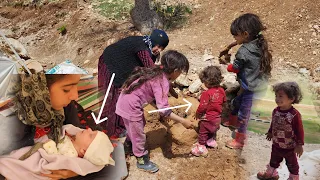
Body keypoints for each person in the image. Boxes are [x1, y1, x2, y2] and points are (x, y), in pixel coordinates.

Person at [0, 73, 127, 180]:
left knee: (114, 154)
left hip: (59, 166)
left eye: (76, 86)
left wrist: (77, 169)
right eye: (66, 89)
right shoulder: (11, 122)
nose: (75, 96)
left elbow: (86, 138)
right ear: (42, 89)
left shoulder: (66, 106)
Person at [115, 50, 193, 173]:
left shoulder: (155, 71)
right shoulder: (162, 82)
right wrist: (183, 121)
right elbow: (164, 111)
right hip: (131, 107)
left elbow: (149, 94)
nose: (180, 75)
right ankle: (141, 159)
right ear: (175, 70)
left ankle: (128, 145)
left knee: (137, 126)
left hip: (124, 102)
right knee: (139, 134)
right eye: (181, 72)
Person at [98, 29, 170, 138]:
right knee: (114, 95)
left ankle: (118, 125)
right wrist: (163, 90)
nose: (158, 50)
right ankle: (112, 129)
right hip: (111, 61)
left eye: (161, 48)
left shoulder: (150, 49)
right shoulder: (142, 48)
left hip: (125, 64)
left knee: (125, 92)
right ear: (152, 42)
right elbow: (151, 71)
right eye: (157, 46)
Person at [219, 13, 273, 149]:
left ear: (245, 34)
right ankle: (232, 121)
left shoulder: (243, 52)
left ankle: (239, 140)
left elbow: (235, 68)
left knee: (244, 114)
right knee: (236, 102)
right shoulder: (259, 44)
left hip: (252, 88)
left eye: (235, 35)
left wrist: (227, 63)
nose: (234, 38)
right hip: (258, 84)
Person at [0, 124, 115, 180]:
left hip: (40, 160)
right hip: (37, 145)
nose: (88, 129)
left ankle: (9, 169)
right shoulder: (73, 137)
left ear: (83, 151)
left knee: (20, 162)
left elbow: (54, 161)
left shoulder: (71, 156)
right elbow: (65, 129)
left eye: (91, 135)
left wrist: (48, 147)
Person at [257, 82, 304, 180]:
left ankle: (294, 177)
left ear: (291, 99)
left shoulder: (294, 114)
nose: (277, 99)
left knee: (292, 164)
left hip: (289, 146)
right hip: (277, 144)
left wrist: (299, 145)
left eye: (281, 96)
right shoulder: (276, 111)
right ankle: (271, 174)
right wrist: (270, 132)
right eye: (276, 96)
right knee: (273, 160)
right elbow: (274, 123)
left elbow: (299, 130)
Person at [191, 66, 226, 157]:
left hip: (208, 118)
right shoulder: (222, 90)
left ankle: (201, 147)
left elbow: (202, 106)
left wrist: (198, 114)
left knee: (203, 132)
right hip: (217, 118)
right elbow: (224, 101)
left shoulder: (206, 93)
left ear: (207, 81)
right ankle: (211, 141)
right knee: (212, 130)